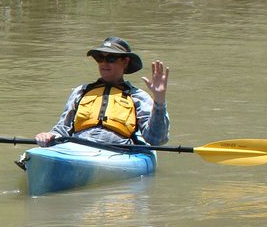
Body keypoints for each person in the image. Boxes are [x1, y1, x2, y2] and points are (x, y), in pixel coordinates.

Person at [35, 36, 169, 148]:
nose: (104, 63)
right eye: (100, 58)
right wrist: (48, 136)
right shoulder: (81, 92)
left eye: (111, 59)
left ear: (125, 62)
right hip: (77, 148)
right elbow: (62, 129)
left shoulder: (137, 97)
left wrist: (159, 99)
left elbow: (156, 139)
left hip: (118, 151)